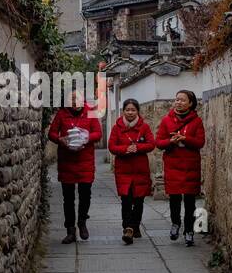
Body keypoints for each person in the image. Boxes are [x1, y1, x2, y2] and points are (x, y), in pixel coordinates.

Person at [47, 89, 102, 244]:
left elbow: (98, 133)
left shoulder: (90, 112)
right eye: (71, 99)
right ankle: (70, 230)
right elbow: (51, 133)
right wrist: (60, 139)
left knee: (85, 195)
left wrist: (86, 138)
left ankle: (82, 222)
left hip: (85, 160)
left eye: (77, 98)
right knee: (68, 198)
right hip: (67, 161)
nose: (74, 102)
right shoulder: (62, 114)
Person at [155, 89, 206, 246]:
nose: (178, 102)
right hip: (173, 164)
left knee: (190, 200)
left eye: (183, 100)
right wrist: (171, 141)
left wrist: (186, 138)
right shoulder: (166, 120)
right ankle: (175, 223)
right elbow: (159, 142)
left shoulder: (196, 121)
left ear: (190, 103)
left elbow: (200, 142)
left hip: (190, 165)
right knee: (174, 199)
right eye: (177, 99)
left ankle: (189, 230)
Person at [107, 98, 155, 245]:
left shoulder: (144, 127)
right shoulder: (117, 128)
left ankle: (135, 225)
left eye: (133, 110)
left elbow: (151, 144)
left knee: (139, 201)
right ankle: (128, 228)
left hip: (140, 170)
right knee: (126, 201)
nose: (130, 112)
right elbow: (112, 146)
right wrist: (125, 149)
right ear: (123, 111)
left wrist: (138, 148)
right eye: (127, 110)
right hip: (123, 170)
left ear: (137, 111)